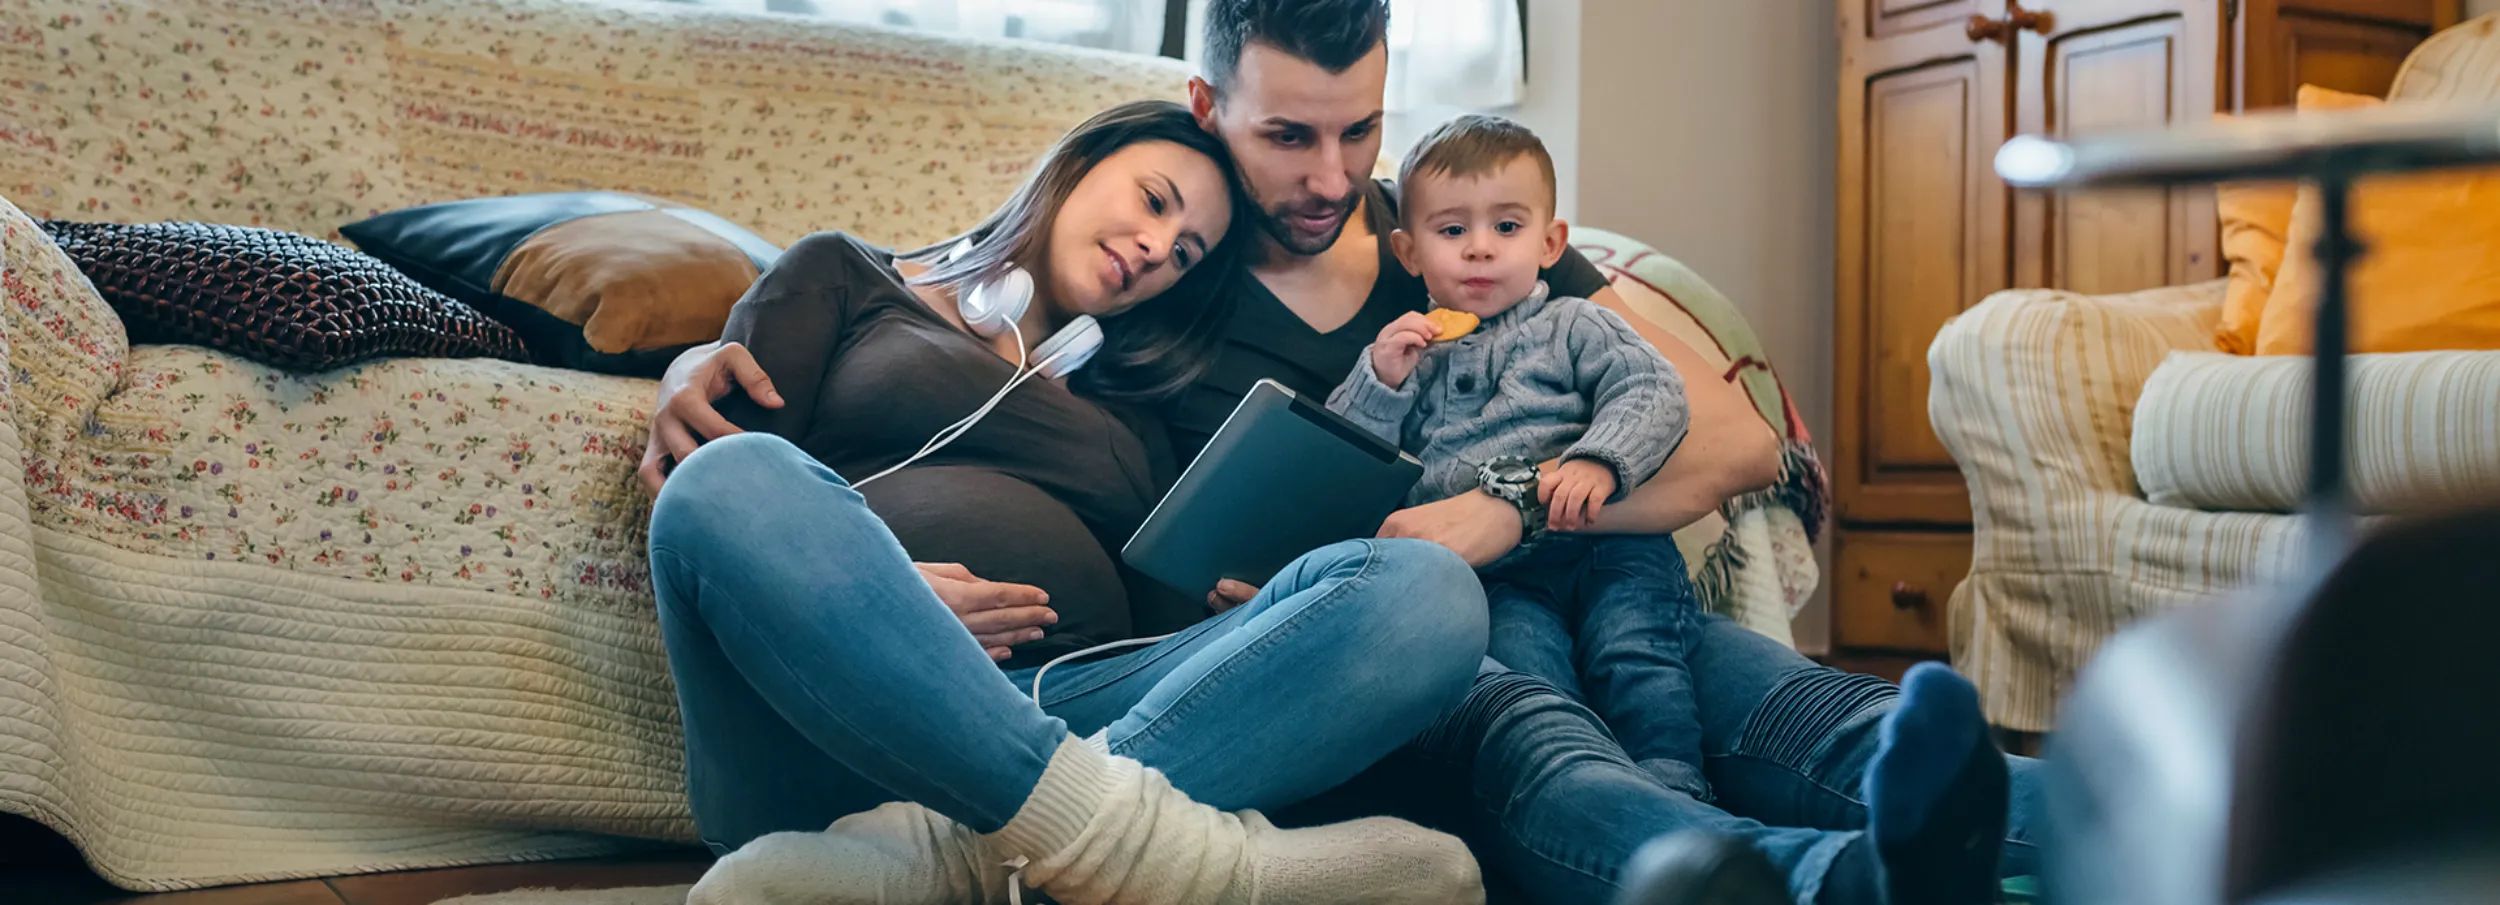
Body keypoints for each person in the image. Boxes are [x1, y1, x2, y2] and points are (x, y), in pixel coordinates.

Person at [642, 4, 2042, 904]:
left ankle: (2171, 824)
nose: (1328, 178)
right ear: (1205, 113)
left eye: (1360, 129)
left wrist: (1498, 514)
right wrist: (701, 383)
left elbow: (1734, 434)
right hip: (1261, 659)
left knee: (1783, 704)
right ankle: (1124, 858)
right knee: (1498, 696)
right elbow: (792, 397)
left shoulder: (1454, 237)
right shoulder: (1156, 315)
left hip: (1511, 587)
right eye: (1287, 137)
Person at [645, 100, 1493, 905]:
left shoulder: (1140, 403)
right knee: (729, 481)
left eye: (1187, 251)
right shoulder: (845, 276)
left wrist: (1261, 608)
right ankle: (1175, 862)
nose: (1160, 246)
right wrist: (878, 597)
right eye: (1154, 201)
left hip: (1083, 710)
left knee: (1428, 592)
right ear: (1079, 162)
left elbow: (1168, 631)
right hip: (836, 723)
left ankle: (957, 862)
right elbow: (718, 510)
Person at [1324, 113, 1713, 801]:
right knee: (1529, 676)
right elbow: (1341, 461)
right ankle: (1581, 789)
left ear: (1550, 241)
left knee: (1635, 655)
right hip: (1500, 577)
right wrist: (1378, 381)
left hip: (1610, 545)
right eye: (1452, 231)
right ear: (1410, 252)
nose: (1480, 249)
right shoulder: (1409, 353)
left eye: (1506, 227)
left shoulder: (1574, 322)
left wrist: (1596, 461)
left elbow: (1654, 389)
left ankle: (1673, 784)